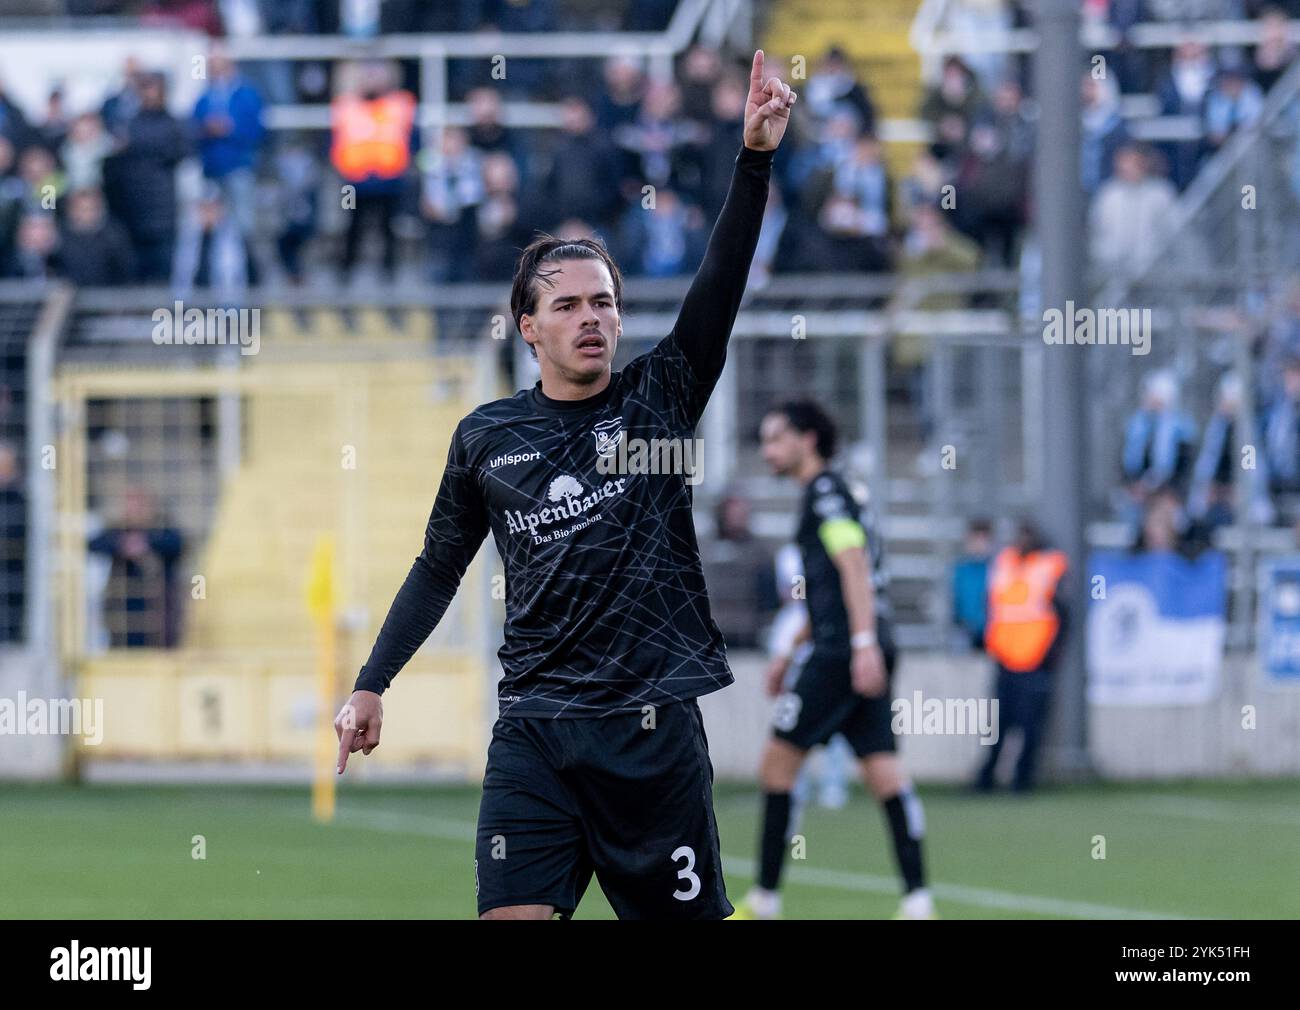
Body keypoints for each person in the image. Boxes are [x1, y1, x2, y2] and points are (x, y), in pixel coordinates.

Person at [333, 50, 796, 920]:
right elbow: (439, 568)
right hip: (536, 733)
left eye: (606, 303)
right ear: (528, 327)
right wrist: (372, 682)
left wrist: (755, 156)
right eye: (571, 306)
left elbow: (721, 283)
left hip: (652, 732)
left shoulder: (659, 397)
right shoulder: (486, 438)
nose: (593, 319)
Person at [733, 400, 934, 921]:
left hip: (845, 650)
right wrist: (793, 648)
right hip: (852, 640)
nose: (768, 450)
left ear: (808, 440)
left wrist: (861, 646)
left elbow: (853, 567)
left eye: (776, 438)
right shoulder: (830, 493)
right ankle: (918, 901)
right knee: (884, 773)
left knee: (777, 764)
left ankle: (765, 899)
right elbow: (828, 591)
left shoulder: (824, 493)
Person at [974, 521, 1067, 793]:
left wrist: (1051, 655)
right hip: (1005, 657)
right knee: (997, 725)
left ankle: (1022, 781)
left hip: (1036, 659)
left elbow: (1064, 614)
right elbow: (992, 606)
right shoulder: (1003, 564)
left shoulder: (1051, 566)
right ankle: (987, 779)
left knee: (1029, 725)